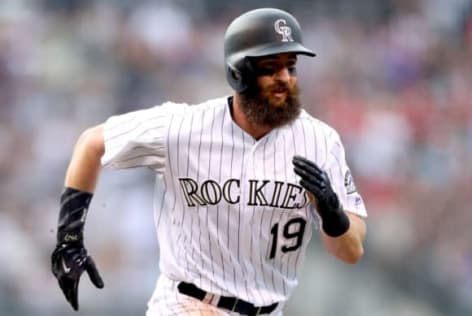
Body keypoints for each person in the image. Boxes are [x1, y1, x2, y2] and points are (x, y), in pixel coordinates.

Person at [51, 7, 367, 316]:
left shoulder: (320, 141)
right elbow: (91, 143)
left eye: (291, 66)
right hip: (187, 304)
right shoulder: (183, 127)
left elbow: (350, 252)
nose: (285, 78)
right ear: (237, 73)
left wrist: (332, 210)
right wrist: (69, 240)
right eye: (271, 67)